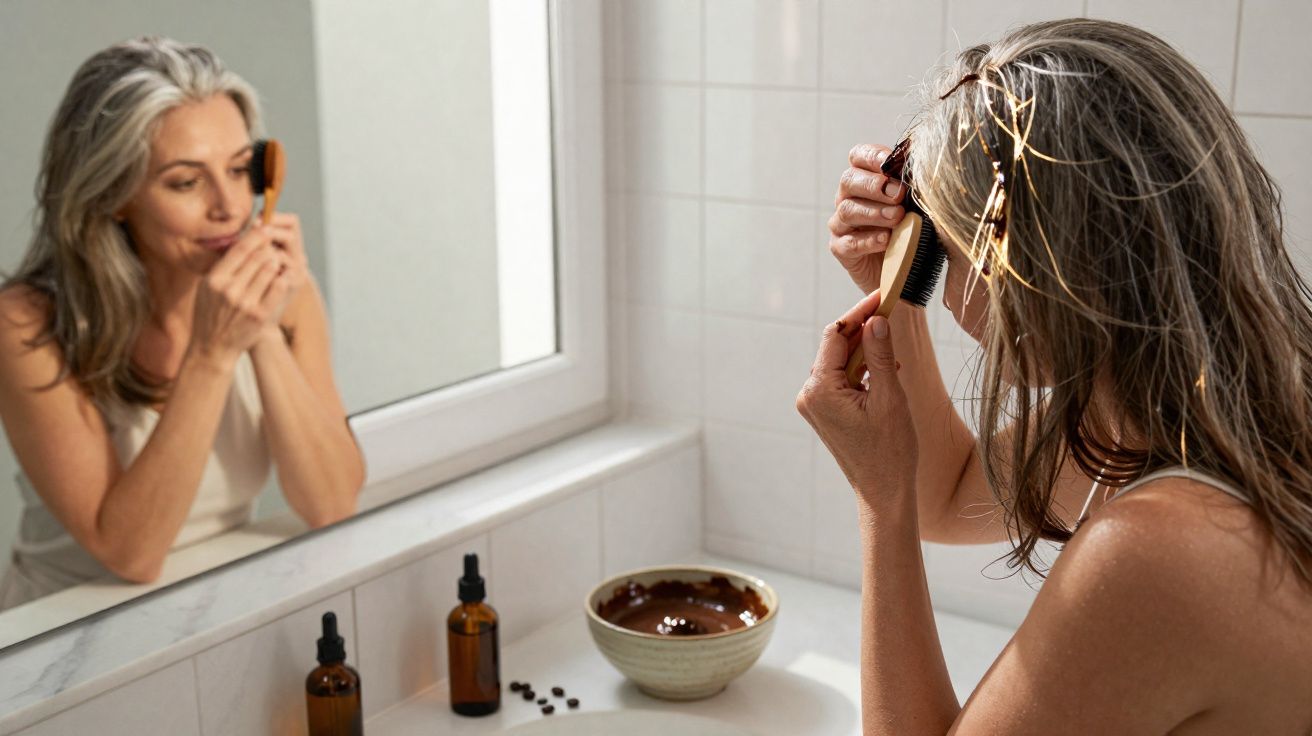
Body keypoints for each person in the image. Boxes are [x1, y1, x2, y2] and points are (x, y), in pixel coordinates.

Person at [798, 18, 1312, 734]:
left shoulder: (1159, 553)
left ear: (1027, 271)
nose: (945, 294)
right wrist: (898, 296)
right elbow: (949, 496)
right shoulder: (1206, 412)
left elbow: (920, 502)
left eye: (942, 253)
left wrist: (880, 505)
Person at [0, 37, 365, 609]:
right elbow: (131, 553)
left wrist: (262, 331)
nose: (229, 206)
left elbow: (332, 502)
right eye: (185, 182)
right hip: (58, 639)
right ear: (115, 193)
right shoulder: (24, 326)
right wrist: (213, 355)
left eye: (241, 170)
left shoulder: (286, 297)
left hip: (207, 604)